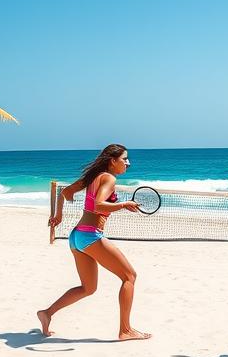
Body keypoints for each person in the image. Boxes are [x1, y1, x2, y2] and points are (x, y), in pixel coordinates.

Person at [41, 144, 151, 341]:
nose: (128, 163)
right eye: (124, 159)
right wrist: (124, 204)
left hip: (77, 237)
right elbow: (98, 204)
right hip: (90, 235)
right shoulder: (109, 178)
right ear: (113, 161)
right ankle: (125, 330)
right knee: (130, 277)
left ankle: (47, 313)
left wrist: (58, 216)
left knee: (88, 288)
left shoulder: (93, 177)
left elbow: (64, 192)